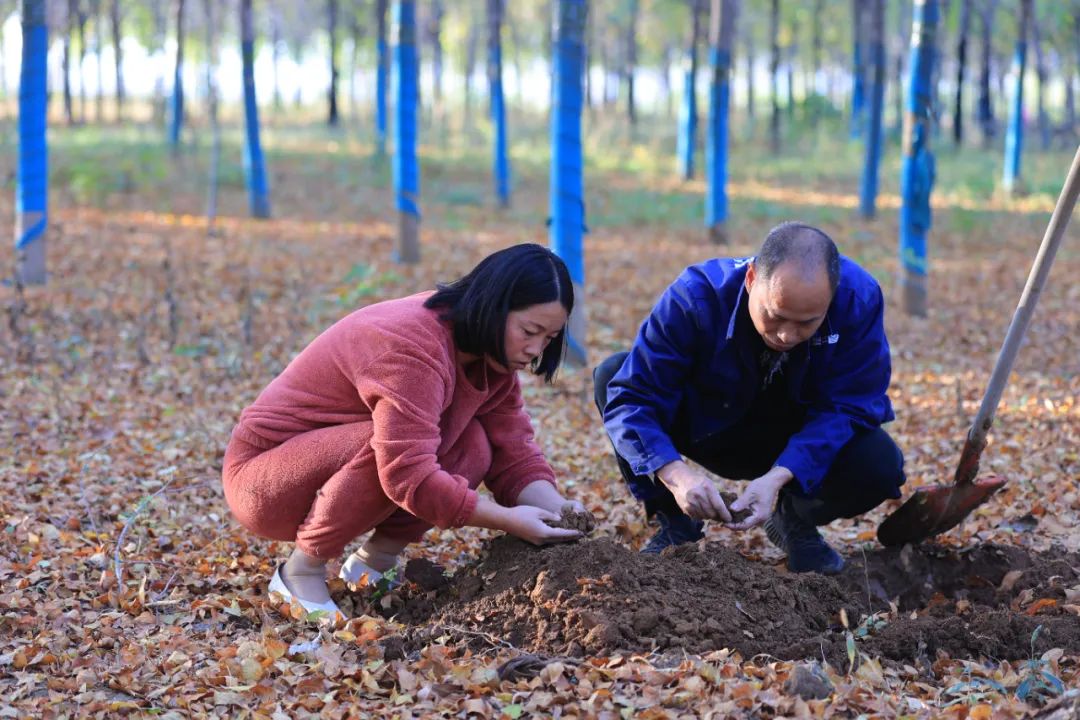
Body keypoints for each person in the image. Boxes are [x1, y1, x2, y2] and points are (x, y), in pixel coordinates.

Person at [223, 243, 584, 620]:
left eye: (548, 338)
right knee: (385, 444)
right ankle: (300, 572)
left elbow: (514, 451)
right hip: (264, 482)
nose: (535, 348)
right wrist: (506, 518)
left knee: (475, 443)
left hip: (335, 472)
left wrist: (557, 509)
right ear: (493, 306)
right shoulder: (412, 347)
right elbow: (405, 471)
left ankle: (374, 562)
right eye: (529, 330)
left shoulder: (492, 357)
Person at [593, 222, 905, 574]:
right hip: (706, 427)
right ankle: (675, 523)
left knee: (880, 464)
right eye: (776, 315)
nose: (787, 335)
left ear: (831, 297)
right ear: (752, 278)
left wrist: (780, 476)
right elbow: (633, 396)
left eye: (807, 323)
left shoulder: (857, 300)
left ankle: (792, 519)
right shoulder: (696, 297)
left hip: (790, 439)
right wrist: (675, 474)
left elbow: (852, 405)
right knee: (613, 375)